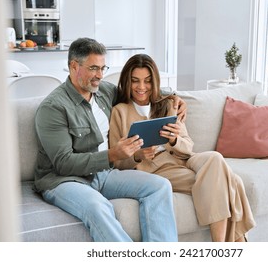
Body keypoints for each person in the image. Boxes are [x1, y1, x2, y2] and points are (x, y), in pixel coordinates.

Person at [34, 38, 186, 242]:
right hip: (63, 181)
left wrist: (174, 97)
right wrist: (113, 154)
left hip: (103, 175)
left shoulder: (103, 91)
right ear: (73, 66)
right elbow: (63, 163)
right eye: (93, 68)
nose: (99, 75)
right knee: (97, 206)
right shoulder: (53, 107)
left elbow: (138, 91)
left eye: (102, 68)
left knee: (160, 186)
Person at [109, 53, 256, 242]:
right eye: (135, 81)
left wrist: (174, 140)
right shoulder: (119, 112)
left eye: (147, 81)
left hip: (185, 159)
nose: (142, 87)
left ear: (154, 82)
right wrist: (137, 155)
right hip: (157, 169)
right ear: (127, 82)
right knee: (232, 181)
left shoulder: (169, 104)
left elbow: (188, 146)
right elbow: (116, 162)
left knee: (215, 158)